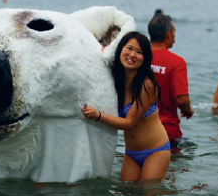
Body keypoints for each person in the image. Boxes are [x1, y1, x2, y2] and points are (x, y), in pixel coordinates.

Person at [82, 31, 170, 182]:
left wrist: (98, 116)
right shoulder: (116, 80)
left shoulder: (147, 85)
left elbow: (129, 123)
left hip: (156, 151)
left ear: (145, 58)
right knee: (127, 195)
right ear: (120, 49)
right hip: (131, 153)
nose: (132, 54)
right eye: (129, 48)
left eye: (139, 52)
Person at [148, 13, 193, 142]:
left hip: (139, 128)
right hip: (166, 129)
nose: (174, 36)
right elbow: (182, 100)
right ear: (168, 35)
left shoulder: (139, 57)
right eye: (174, 32)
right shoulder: (176, 62)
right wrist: (188, 110)